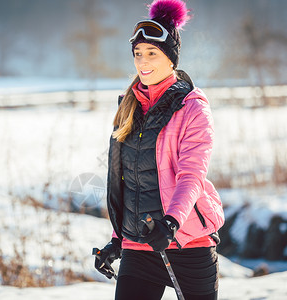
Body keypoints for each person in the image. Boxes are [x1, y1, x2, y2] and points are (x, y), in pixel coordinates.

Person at [94, 0, 225, 299]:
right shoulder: (129, 108)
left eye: (152, 53)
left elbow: (191, 176)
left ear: (170, 59)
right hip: (139, 246)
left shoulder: (192, 108)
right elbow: (129, 181)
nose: (142, 61)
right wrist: (117, 238)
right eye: (138, 53)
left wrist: (171, 223)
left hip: (187, 243)